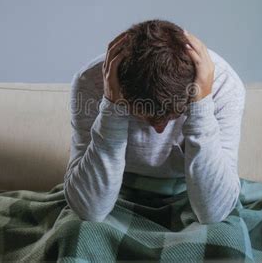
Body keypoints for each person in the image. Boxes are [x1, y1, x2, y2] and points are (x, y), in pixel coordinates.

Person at [63, 19, 246, 224]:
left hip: (191, 192)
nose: (159, 129)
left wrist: (201, 106)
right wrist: (112, 108)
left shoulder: (224, 84)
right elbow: (90, 210)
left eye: (173, 116)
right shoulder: (90, 82)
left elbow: (213, 212)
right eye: (142, 116)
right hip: (116, 192)